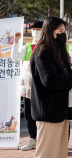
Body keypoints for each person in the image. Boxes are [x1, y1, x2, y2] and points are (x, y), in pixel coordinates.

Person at [30, 17, 72, 158]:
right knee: (46, 154)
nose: (63, 34)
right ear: (49, 31)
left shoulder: (58, 51)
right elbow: (50, 80)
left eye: (64, 31)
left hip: (61, 112)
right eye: (60, 31)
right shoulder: (42, 52)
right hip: (48, 112)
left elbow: (65, 75)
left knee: (59, 153)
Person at [11, 20, 43, 151]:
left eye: (38, 29)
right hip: (28, 86)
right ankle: (32, 139)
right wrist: (16, 42)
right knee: (28, 113)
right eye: (33, 29)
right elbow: (15, 57)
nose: (35, 31)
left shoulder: (47, 46)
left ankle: (42, 139)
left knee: (41, 113)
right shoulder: (28, 46)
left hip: (42, 85)